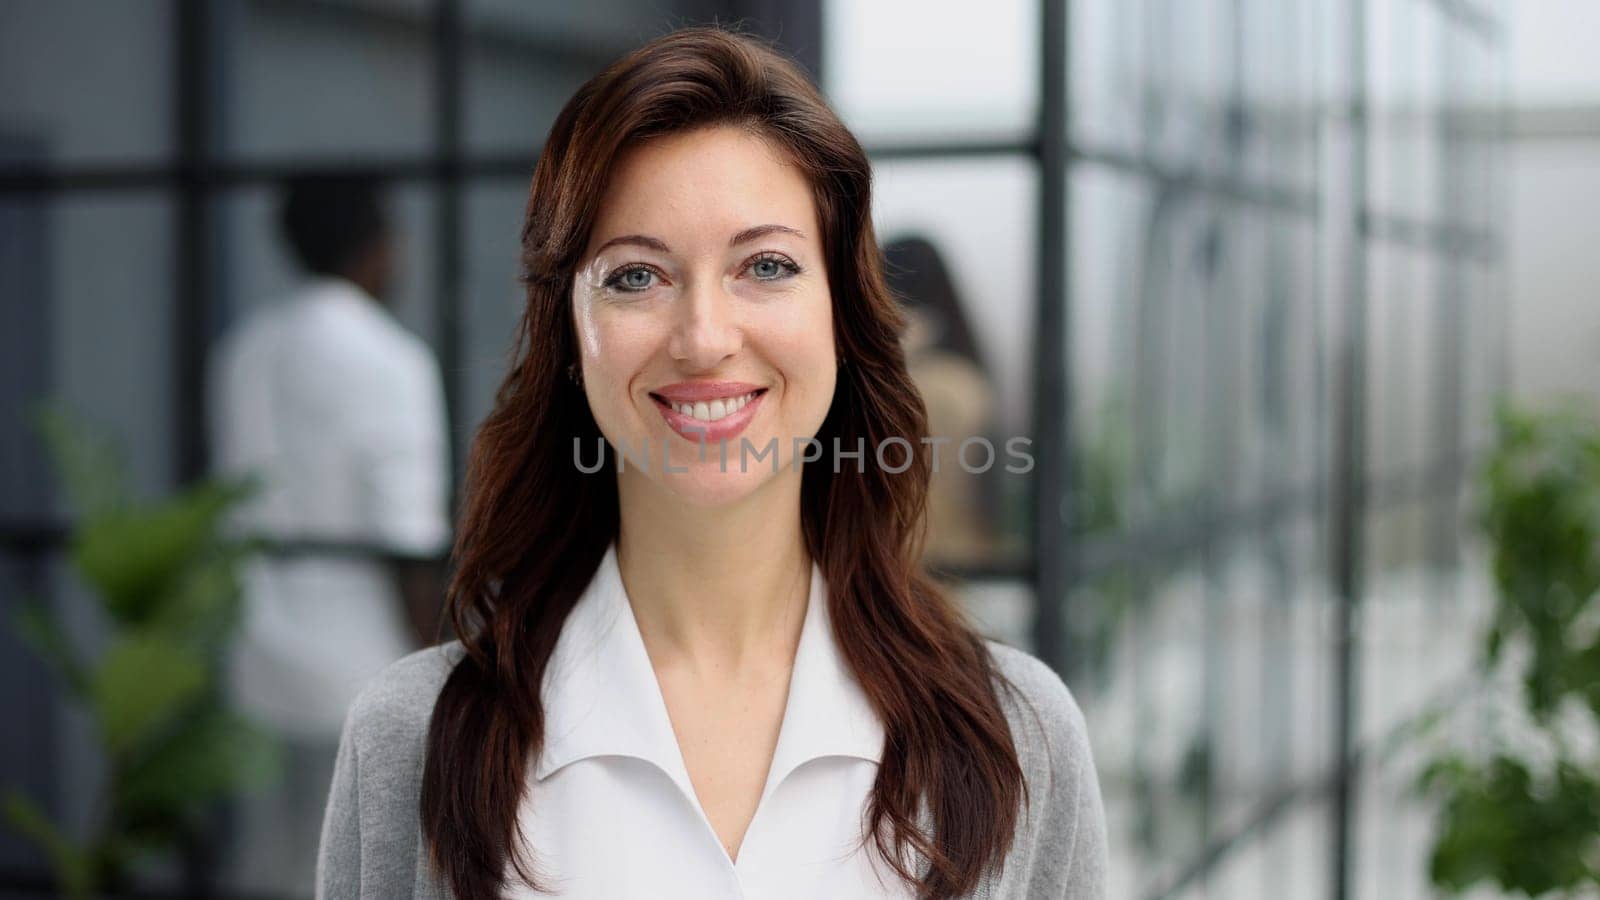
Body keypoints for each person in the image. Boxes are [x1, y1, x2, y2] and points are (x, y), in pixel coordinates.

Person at [316, 25, 1106, 900]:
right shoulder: (417, 737)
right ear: (570, 339)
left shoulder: (1017, 735)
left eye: (765, 265)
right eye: (634, 277)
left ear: (842, 316)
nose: (703, 339)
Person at [208, 173, 451, 896]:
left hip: (255, 659)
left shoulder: (245, 351)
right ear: (376, 245)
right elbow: (407, 535)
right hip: (362, 671)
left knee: (267, 868)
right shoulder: (390, 359)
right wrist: (443, 674)